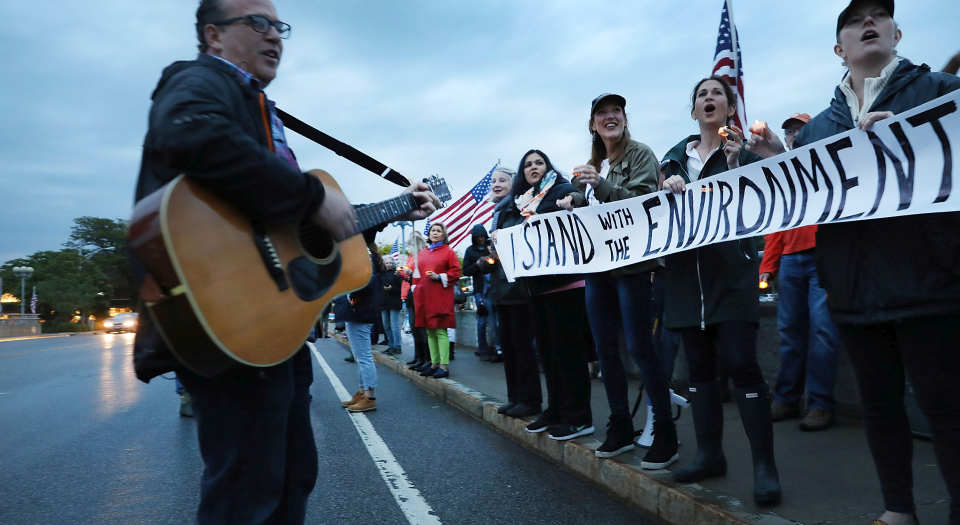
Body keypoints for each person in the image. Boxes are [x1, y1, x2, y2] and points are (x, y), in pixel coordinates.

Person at [130, 1, 439, 522]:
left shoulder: (259, 108)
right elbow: (191, 133)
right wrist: (311, 196)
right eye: (258, 23)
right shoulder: (196, 80)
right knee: (247, 496)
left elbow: (295, 224)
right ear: (213, 35)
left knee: (291, 478)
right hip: (233, 318)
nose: (275, 36)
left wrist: (388, 208)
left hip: (276, 331)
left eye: (280, 26)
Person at [786, 2, 960, 522]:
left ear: (897, 33)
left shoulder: (940, 94)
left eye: (879, 17)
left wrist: (905, 138)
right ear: (839, 48)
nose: (869, 23)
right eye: (855, 20)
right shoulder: (819, 130)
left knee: (947, 409)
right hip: (856, 291)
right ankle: (898, 510)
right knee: (880, 409)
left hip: (933, 282)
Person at [660, 76, 780, 505]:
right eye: (701, 95)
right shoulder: (672, 161)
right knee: (700, 372)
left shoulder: (744, 154)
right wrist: (664, 191)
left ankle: (765, 466)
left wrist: (740, 168)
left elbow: (773, 198)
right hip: (686, 284)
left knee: (742, 364)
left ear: (731, 109)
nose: (708, 99)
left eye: (718, 95)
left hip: (731, 276)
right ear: (693, 111)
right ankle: (710, 455)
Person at [569, 94, 678, 467]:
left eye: (616, 111)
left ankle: (665, 429)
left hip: (632, 267)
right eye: (602, 113)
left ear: (625, 118)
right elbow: (593, 216)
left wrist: (598, 185)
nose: (610, 117)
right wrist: (574, 204)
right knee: (605, 349)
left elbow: (643, 201)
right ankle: (620, 425)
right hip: (597, 269)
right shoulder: (594, 164)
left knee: (639, 347)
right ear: (593, 124)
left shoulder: (640, 154)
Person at [753, 113, 841, 432]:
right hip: (790, 261)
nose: (793, 134)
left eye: (799, 129)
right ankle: (787, 398)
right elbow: (775, 227)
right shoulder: (784, 177)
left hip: (823, 258)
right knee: (789, 330)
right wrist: (767, 268)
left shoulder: (826, 166)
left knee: (822, 331)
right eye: (789, 131)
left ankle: (819, 404)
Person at [504, 149, 595, 441]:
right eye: (528, 163)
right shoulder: (521, 202)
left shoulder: (561, 189)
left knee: (569, 354)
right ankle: (556, 409)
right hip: (537, 289)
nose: (533, 167)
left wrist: (573, 203)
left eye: (539, 162)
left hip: (566, 286)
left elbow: (580, 199)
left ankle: (579, 416)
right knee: (548, 355)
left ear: (547, 167)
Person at [485, 167, 542, 418]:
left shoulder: (519, 206)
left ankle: (530, 400)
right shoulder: (497, 212)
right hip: (501, 287)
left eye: (503, 180)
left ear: (513, 183)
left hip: (519, 288)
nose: (497, 184)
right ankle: (514, 396)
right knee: (508, 346)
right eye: (494, 181)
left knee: (521, 347)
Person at [412, 223, 461, 379]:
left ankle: (444, 367)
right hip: (425, 296)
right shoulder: (423, 252)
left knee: (440, 330)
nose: (435, 233)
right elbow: (417, 274)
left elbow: (456, 272)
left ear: (443, 235)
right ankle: (433, 364)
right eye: (433, 230)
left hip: (440, 295)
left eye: (438, 231)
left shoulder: (449, 252)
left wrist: (439, 276)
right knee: (429, 330)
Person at [339, 249, 384, 413]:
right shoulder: (366, 264)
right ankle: (362, 391)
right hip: (357, 314)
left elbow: (362, 285)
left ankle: (369, 396)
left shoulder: (368, 266)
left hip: (361, 314)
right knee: (360, 357)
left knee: (364, 357)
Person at [461, 224, 494, 360]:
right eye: (478, 237)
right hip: (479, 289)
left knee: (495, 320)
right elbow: (466, 270)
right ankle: (482, 349)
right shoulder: (470, 251)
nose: (480, 239)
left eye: (482, 236)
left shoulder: (490, 246)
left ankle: (497, 348)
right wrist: (478, 264)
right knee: (482, 320)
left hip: (494, 286)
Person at [379, 257, 403, 356]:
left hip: (395, 303)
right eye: (386, 263)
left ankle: (397, 346)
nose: (388, 264)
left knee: (394, 326)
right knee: (386, 326)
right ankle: (391, 345)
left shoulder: (397, 274)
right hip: (384, 303)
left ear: (393, 263)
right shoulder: (381, 274)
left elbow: (401, 289)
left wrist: (391, 288)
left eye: (390, 262)